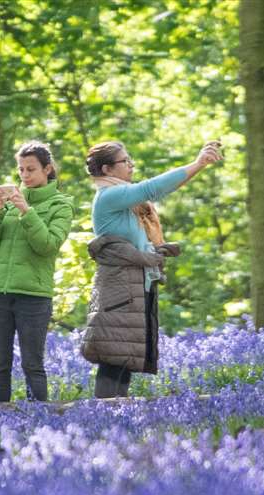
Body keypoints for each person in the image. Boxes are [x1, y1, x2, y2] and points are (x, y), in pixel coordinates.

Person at [80, 139, 223, 398]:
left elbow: (136, 240)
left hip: (135, 284)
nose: (131, 164)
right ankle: (103, 422)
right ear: (107, 170)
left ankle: (117, 422)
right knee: (113, 359)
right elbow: (154, 188)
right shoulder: (109, 196)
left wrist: (156, 250)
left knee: (126, 359)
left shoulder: (126, 202)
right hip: (119, 288)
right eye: (125, 161)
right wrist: (198, 163)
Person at [0, 141, 75, 402]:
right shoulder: (8, 203)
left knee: (32, 365)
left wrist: (25, 210)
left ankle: (40, 427)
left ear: (48, 169)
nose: (25, 175)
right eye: (21, 170)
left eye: (31, 169)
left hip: (33, 295)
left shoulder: (61, 206)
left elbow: (47, 245)